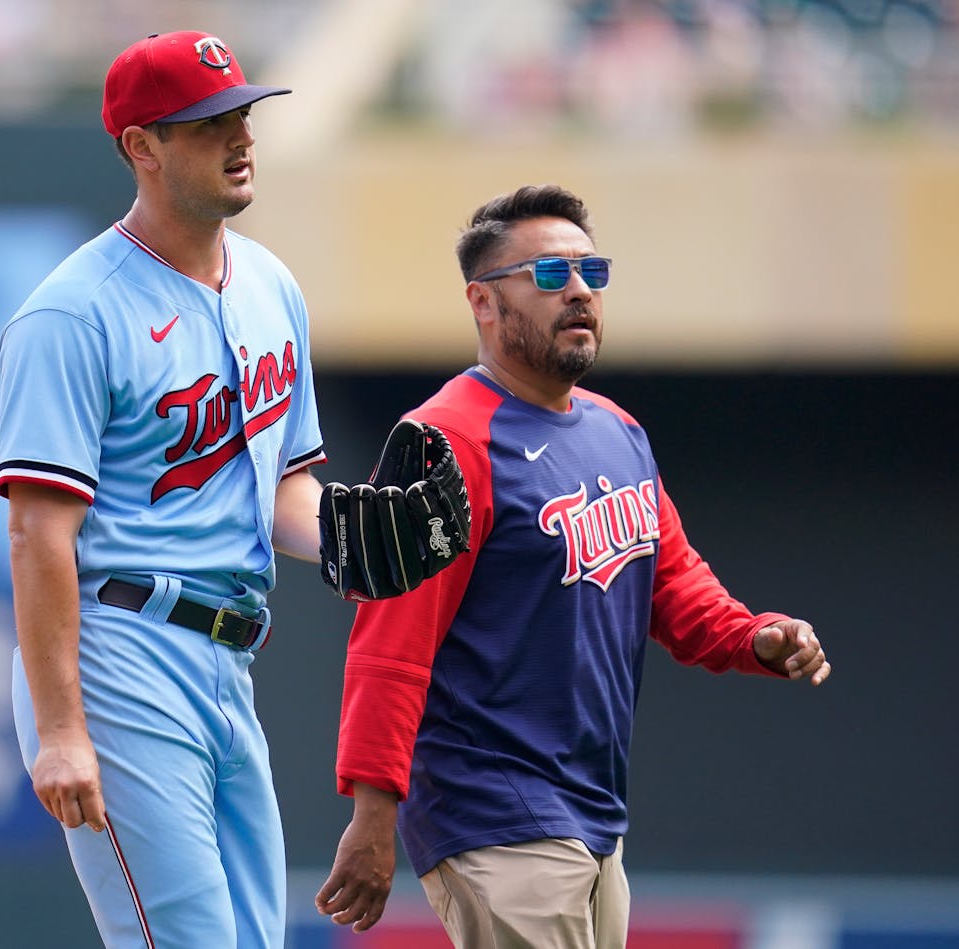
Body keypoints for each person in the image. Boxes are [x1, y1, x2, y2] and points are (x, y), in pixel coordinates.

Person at [0, 30, 468, 949]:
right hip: (121, 647)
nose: (239, 135)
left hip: (228, 656)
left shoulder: (270, 285)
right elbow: (38, 534)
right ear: (142, 146)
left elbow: (281, 488)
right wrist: (60, 729)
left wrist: (356, 530)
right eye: (209, 123)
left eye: (242, 113)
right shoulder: (72, 310)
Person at [313, 184, 832, 949]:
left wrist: (756, 636)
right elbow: (390, 645)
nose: (581, 291)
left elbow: (678, 587)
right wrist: (372, 813)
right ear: (484, 303)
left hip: (592, 814)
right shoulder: (443, 439)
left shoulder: (618, 431)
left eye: (592, 273)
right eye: (551, 276)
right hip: (489, 808)